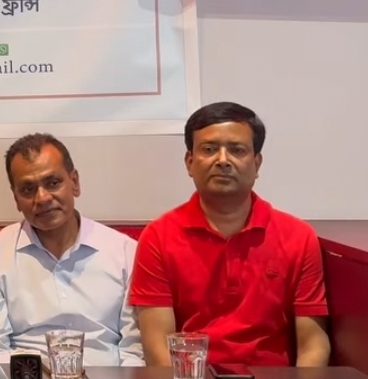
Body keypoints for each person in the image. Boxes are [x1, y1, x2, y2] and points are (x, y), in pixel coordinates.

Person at [129, 102, 330, 366]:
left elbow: (313, 344)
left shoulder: (298, 236)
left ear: (256, 163)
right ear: (190, 162)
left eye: (237, 150)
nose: (222, 160)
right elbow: (158, 348)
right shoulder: (158, 237)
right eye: (209, 149)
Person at [0, 133, 143, 366]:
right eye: (28, 189)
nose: (42, 198)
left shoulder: (125, 253)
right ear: (16, 198)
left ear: (74, 183)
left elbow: (135, 352)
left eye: (53, 183)